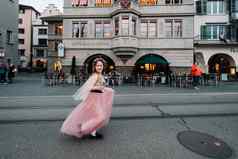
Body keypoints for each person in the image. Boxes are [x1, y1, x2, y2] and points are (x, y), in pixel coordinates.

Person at [61, 58, 114, 139]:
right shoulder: (94, 76)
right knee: (101, 116)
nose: (99, 67)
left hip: (98, 98)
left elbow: (102, 87)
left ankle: (93, 132)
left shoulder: (100, 75)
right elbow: (87, 88)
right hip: (93, 99)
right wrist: (99, 87)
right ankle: (83, 127)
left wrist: (107, 90)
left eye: (101, 65)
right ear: (95, 67)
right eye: (98, 65)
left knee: (94, 116)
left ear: (103, 66)